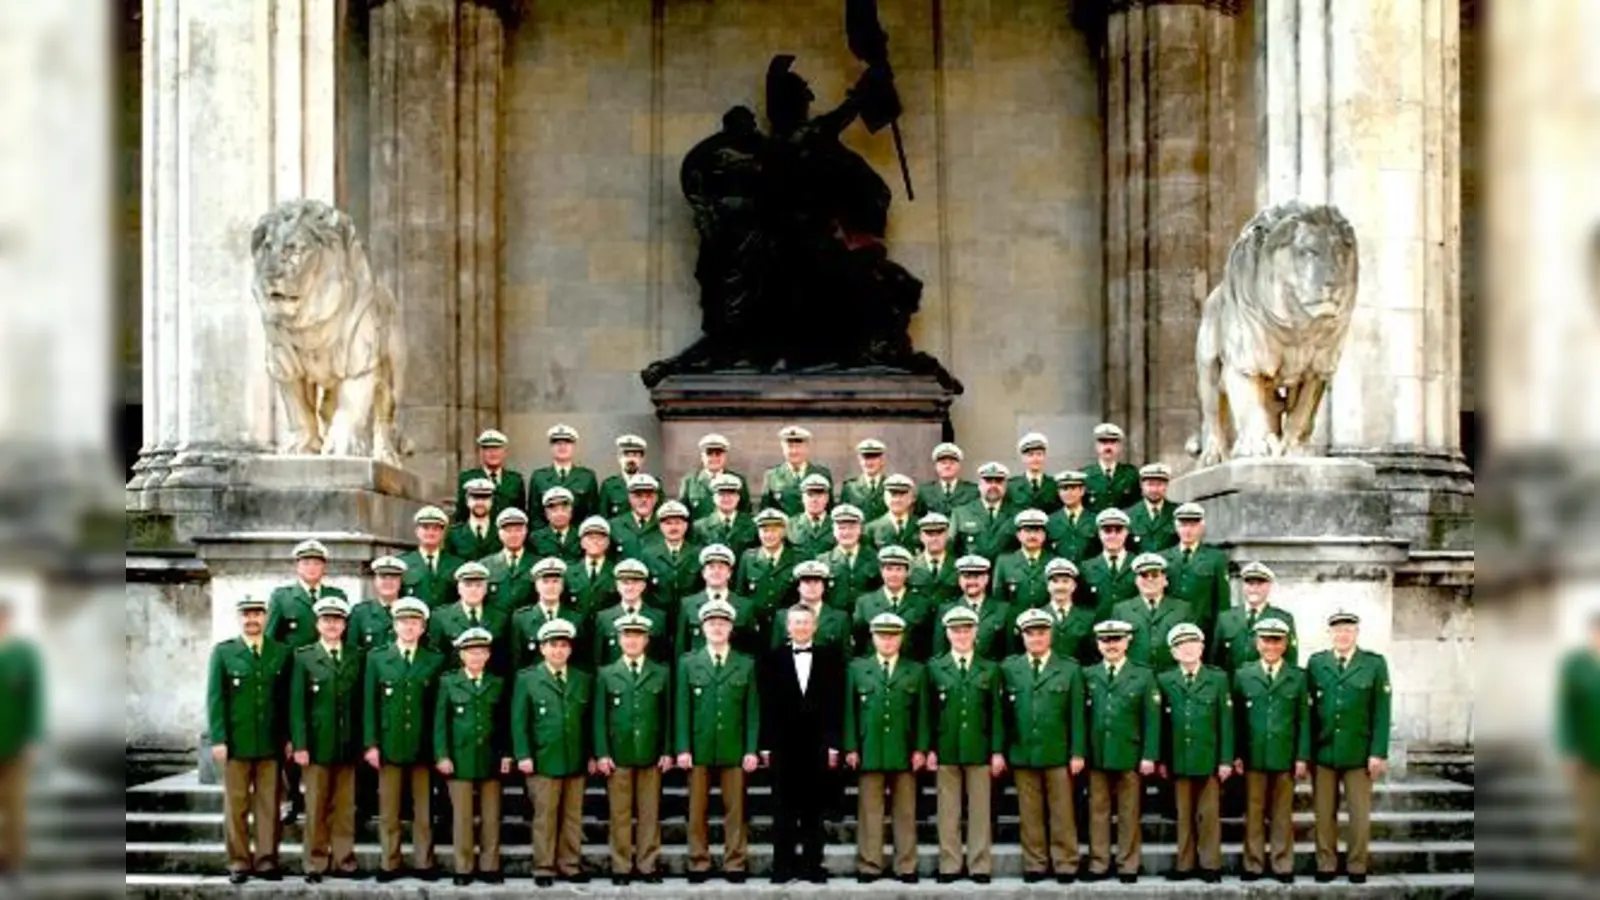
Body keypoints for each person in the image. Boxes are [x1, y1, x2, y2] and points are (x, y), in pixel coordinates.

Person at [759, 602, 847, 884]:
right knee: (783, 808)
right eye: (796, 622)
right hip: (784, 744)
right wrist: (766, 744)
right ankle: (782, 866)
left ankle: (812, 865)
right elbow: (767, 705)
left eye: (806, 622)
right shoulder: (772, 659)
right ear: (788, 627)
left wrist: (834, 742)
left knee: (814, 809)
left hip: (817, 744)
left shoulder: (830, 658)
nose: (801, 627)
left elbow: (836, 703)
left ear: (815, 626)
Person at [205, 595, 290, 885]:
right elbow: (216, 700)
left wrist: (288, 738)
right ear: (239, 618)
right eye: (246, 614)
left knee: (269, 805)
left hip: (270, 743)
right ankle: (239, 861)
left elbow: (287, 701)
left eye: (257, 614)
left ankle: (267, 861)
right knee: (236, 806)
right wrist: (218, 738)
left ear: (265, 617)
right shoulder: (224, 653)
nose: (252, 620)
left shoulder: (280, 652)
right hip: (236, 744)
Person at [676, 599, 761, 884]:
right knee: (696, 809)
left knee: (736, 809)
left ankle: (735, 862)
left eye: (722, 623)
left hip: (734, 748)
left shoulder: (746, 664)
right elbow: (682, 709)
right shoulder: (688, 663)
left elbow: (752, 712)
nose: (717, 628)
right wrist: (683, 747)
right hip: (698, 749)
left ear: (731, 628)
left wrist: (751, 749)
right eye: (712, 623)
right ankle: (698, 862)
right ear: (702, 628)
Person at [843, 612, 931, 885]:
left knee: (905, 811)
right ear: (873, 638)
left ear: (901, 638)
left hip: (904, 750)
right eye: (882, 635)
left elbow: (923, 715)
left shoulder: (916, 670)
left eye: (893, 635)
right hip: (869, 749)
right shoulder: (857, 669)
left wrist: (921, 748)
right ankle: (869, 865)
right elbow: (850, 713)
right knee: (870, 811)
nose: (888, 641)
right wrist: (851, 747)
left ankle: (906, 865)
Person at [362, 597, 445, 883]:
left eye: (414, 622)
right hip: (389, 745)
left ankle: (424, 862)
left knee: (424, 810)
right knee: (389, 810)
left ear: (422, 628)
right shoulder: (377, 658)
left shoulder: (434, 659)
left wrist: (438, 748)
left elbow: (438, 708)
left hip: (422, 746)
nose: (409, 627)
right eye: (403, 622)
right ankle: (390, 862)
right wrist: (371, 744)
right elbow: (370, 703)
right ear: (394, 625)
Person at [1307, 609, 1392, 884]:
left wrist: (1378, 752)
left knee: (1359, 814)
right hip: (1323, 751)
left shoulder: (1374, 664)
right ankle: (1326, 863)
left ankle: (1357, 865)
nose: (1342, 635)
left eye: (1348, 630)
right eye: (1337, 630)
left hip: (1358, 753)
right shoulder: (1317, 663)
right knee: (1323, 813)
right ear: (1330, 633)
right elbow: (1308, 712)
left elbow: (1382, 711)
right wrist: (1306, 753)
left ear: (1356, 633)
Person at [1002, 608, 1087, 884]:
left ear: (1050, 634)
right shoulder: (1010, 668)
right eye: (1031, 634)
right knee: (1030, 812)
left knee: (1062, 811)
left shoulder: (1070, 668)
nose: (1036, 639)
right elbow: (1004, 714)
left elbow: (1077, 714)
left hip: (1058, 751)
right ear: (1023, 637)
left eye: (1041, 633)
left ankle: (1065, 863)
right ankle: (1035, 863)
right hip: (1023, 751)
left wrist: (1077, 752)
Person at [927, 605, 1005, 884]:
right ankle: (949, 864)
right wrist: (930, 748)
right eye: (956, 630)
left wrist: (997, 750)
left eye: (966, 630)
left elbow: (997, 713)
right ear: (947, 634)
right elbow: (929, 713)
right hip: (946, 747)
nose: (961, 635)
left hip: (979, 747)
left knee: (980, 810)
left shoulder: (990, 668)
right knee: (948, 810)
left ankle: (979, 865)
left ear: (975, 632)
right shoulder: (935, 667)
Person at [511, 619, 592, 887]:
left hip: (575, 757)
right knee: (545, 815)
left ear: (570, 649)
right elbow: (519, 721)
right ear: (542, 649)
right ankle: (544, 866)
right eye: (552, 645)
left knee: (572, 815)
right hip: (544, 758)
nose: (558, 651)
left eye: (563, 645)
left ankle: (569, 863)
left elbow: (588, 721)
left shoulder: (582, 678)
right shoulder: (528, 678)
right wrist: (523, 755)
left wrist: (591, 754)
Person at [594, 613, 672, 885]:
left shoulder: (661, 672)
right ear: (619, 639)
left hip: (651, 753)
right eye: (627, 636)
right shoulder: (606, 673)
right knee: (620, 813)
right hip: (619, 754)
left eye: (637, 636)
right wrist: (602, 753)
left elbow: (668, 715)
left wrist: (667, 750)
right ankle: (621, 866)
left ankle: (648, 865)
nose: (632, 641)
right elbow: (599, 718)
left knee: (650, 813)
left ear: (646, 640)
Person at [288, 596, 362, 883]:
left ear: (345, 624)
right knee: (316, 806)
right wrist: (301, 744)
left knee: (344, 807)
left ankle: (345, 861)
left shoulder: (356, 655)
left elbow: (360, 703)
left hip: (347, 743)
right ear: (318, 624)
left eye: (337, 620)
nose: (332, 625)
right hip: (317, 745)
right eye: (326, 620)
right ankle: (315, 863)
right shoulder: (304, 657)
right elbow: (297, 706)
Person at [1232, 616, 1311, 884]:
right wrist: (1237, 754)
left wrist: (1302, 756)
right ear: (1257, 643)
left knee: (1281, 813)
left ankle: (1282, 863)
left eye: (1276, 640)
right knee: (1253, 812)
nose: (1271, 646)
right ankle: (1253, 864)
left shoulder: (1298, 677)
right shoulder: (1243, 675)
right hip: (1254, 755)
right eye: (1266, 640)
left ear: (1285, 644)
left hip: (1284, 755)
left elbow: (1304, 720)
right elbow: (1237, 720)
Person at [1084, 619, 1161, 884]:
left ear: (1127, 642)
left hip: (1130, 753)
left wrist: (1150, 754)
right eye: (1106, 640)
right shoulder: (1089, 674)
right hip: (1097, 754)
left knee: (1129, 811)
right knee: (1098, 811)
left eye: (1116, 639)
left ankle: (1128, 864)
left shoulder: (1143, 675)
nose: (1111, 645)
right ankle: (1099, 863)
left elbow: (1152, 719)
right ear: (1098, 644)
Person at [1156, 623, 1234, 883]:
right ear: (1174, 652)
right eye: (1181, 646)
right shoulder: (1166, 680)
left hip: (1208, 757)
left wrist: (1225, 759)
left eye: (1193, 645)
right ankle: (1185, 864)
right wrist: (1162, 759)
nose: (1188, 650)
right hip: (1178, 757)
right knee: (1183, 814)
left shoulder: (1217, 679)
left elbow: (1226, 721)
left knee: (1209, 814)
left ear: (1202, 648)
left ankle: (1210, 864)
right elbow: (1161, 725)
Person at [437, 627, 511, 886]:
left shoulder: (498, 683)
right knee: (462, 817)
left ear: (488, 655)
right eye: (471, 652)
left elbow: (504, 724)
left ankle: (490, 866)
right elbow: (441, 723)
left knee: (491, 816)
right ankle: (463, 867)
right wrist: (442, 755)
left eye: (481, 652)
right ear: (461, 655)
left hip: (490, 757)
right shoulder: (448, 682)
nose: (476, 657)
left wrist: (506, 755)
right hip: (460, 757)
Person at [1558, 609, 1600, 879]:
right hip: (1587, 752)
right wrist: (1569, 749)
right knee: (1587, 812)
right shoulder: (1576, 666)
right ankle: (1588, 864)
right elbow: (1566, 710)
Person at [1110, 553, 1195, 672]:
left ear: (1165, 580)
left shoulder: (1183, 609)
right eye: (1144, 575)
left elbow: (1191, 647)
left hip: (1171, 676)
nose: (1149, 579)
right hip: (1135, 678)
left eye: (1155, 575)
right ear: (1136, 581)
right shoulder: (1121, 610)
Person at [1212, 561, 1298, 672]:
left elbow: (1290, 661)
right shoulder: (1225, 618)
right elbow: (1215, 661)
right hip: (1231, 686)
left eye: (1260, 584)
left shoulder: (1283, 619)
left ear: (1269, 586)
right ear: (1243, 585)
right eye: (1250, 583)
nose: (1254, 589)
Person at [677, 544, 762, 655]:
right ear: (703, 573)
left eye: (721, 567)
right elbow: (681, 648)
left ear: (729, 573)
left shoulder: (745, 606)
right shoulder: (688, 604)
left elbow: (752, 650)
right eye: (711, 567)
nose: (716, 572)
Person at [852, 545, 934, 659]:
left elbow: (926, 643)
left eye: (899, 569)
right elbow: (860, 641)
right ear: (881, 571)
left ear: (907, 572)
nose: (893, 575)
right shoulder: (865, 603)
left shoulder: (922, 603)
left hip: (911, 667)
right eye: (889, 569)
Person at [1161, 503, 1230, 638]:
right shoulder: (1163, 558)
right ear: (1176, 527)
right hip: (1169, 629)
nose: (1188, 530)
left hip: (1202, 631)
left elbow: (1222, 603)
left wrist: (1220, 635)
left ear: (1201, 527)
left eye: (1193, 525)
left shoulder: (1215, 558)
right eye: (1183, 525)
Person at [428, 562, 509, 672]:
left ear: (486, 589)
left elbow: (503, 659)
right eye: (468, 585)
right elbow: (435, 658)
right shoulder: (441, 617)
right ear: (458, 588)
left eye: (478, 585)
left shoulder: (500, 617)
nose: (473, 590)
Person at [508, 558, 584, 673]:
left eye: (555, 581)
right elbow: (517, 661)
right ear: (536, 586)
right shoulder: (521, 619)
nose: (551, 587)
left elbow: (580, 661)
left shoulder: (575, 618)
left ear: (562, 585)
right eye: (545, 581)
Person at [933, 555, 1014, 662]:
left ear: (986, 579)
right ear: (959, 580)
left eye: (976, 577)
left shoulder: (1003, 610)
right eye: (966, 577)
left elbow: (1010, 654)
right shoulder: (946, 610)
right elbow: (939, 652)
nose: (971, 582)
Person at [640, 500, 704, 634]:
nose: (673, 528)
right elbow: (644, 591)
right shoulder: (648, 555)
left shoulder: (698, 554)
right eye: (668, 523)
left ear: (686, 525)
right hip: (658, 618)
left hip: (690, 617)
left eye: (678, 523)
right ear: (660, 526)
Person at [593, 559, 670, 666]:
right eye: (625, 583)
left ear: (643, 586)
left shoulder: (658, 618)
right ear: (617, 586)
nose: (630, 588)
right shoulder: (604, 618)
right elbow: (599, 660)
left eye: (635, 583)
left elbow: (664, 659)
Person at [526, 423, 599, 527]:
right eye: (557, 443)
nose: (562, 446)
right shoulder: (539, 477)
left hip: (578, 538)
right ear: (551, 447)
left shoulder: (587, 477)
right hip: (546, 538)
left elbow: (592, 514)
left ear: (574, 446)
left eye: (567, 442)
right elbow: (534, 515)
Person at [770, 560, 852, 653]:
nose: (812, 586)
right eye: (807, 582)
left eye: (816, 582)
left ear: (823, 587)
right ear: (798, 587)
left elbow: (846, 655)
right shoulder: (782, 616)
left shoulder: (840, 618)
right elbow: (775, 654)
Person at [734, 508, 799, 624]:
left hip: (787, 624)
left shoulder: (796, 558)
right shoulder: (748, 558)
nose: (769, 535)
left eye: (774, 530)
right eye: (765, 530)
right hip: (756, 625)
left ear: (783, 532)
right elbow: (741, 594)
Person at [950, 462, 1020, 562]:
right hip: (972, 573)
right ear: (979, 485)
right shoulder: (961, 513)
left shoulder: (1017, 514)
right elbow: (950, 549)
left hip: (1005, 576)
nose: (993, 486)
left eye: (998, 481)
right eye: (988, 481)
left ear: (1005, 485)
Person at [454, 428, 526, 523]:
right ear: (481, 453)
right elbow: (461, 514)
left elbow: (520, 513)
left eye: (497, 449)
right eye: (487, 449)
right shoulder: (468, 478)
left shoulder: (515, 480)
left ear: (504, 452)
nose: (493, 453)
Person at [1077, 508, 1138, 616]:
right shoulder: (1086, 568)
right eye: (1107, 530)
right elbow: (1082, 605)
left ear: (1126, 532)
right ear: (1099, 533)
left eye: (1118, 530)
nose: (1112, 536)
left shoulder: (1137, 564)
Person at [759, 425, 832, 515]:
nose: (794, 451)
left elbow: (829, 511)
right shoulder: (772, 476)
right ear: (783, 449)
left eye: (798, 446)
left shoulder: (822, 474)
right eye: (790, 446)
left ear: (807, 448)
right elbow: (765, 512)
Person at [400, 506, 464, 608]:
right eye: (425, 527)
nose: (430, 532)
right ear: (416, 531)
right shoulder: (403, 563)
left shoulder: (456, 564)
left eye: (435, 528)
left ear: (443, 533)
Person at [678, 433, 752, 520]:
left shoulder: (738, 480)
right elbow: (683, 514)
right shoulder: (689, 482)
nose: (714, 458)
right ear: (702, 456)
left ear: (725, 456)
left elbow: (745, 511)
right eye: (709, 454)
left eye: (718, 454)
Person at [818, 504, 879, 610]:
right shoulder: (822, 561)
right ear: (833, 530)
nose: (846, 532)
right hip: (836, 621)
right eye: (841, 528)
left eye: (852, 528)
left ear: (860, 529)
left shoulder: (875, 559)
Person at [993, 509, 1053, 610]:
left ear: (1044, 535)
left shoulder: (1053, 562)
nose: (1032, 536)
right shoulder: (1004, 562)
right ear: (1018, 535)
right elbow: (999, 598)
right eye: (1027, 531)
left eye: (1037, 531)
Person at [1042, 558, 1097, 665]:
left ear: (1074, 586)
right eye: (1055, 581)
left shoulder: (1088, 617)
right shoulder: (1038, 616)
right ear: (1048, 586)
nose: (1060, 587)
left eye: (1065, 581)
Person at [347, 555, 406, 654]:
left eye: (393, 577)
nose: (388, 582)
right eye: (383, 577)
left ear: (400, 581)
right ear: (375, 580)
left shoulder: (410, 610)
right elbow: (352, 652)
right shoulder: (360, 613)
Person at [480, 506, 534, 612]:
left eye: (518, 530)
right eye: (508, 531)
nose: (513, 535)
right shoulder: (485, 565)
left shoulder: (537, 564)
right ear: (499, 533)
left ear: (526, 531)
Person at [693, 473, 760, 557]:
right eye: (722, 494)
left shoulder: (752, 524)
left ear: (738, 497)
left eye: (731, 494)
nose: (727, 499)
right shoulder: (700, 527)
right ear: (714, 498)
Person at [564, 516, 617, 620]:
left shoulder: (616, 572)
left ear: (607, 542)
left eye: (600, 538)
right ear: (582, 542)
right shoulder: (569, 572)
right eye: (590, 538)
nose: (595, 542)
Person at [1081, 422, 1139, 512]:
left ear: (1120, 446)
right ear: (1096, 446)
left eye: (1112, 442)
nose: (1108, 447)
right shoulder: (1084, 475)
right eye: (1103, 442)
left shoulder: (1131, 474)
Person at [1044, 469, 1098, 561]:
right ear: (1058, 492)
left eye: (1073, 488)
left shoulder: (1095, 519)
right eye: (1064, 489)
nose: (1068, 493)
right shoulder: (1050, 521)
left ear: (1082, 491)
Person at [910, 512, 959, 607]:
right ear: (921, 536)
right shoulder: (910, 566)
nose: (935, 538)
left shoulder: (958, 566)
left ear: (947, 535)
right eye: (929, 534)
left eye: (939, 533)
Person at [445, 478, 502, 562]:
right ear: (467, 501)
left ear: (491, 501)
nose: (480, 503)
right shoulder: (454, 534)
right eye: (475, 498)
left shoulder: (501, 532)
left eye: (485, 498)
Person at [1125, 463, 1177, 553]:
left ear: (1166, 485)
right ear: (1142, 486)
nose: (1154, 490)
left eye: (1159, 484)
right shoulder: (1128, 515)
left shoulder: (1177, 513)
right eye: (1150, 484)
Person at [608, 473, 662, 561]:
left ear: (656, 498)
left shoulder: (664, 524)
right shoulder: (614, 526)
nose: (643, 500)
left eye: (648, 496)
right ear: (629, 498)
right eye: (638, 496)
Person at [917, 442, 978, 517]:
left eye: (952, 463)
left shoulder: (972, 491)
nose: (947, 466)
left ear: (959, 466)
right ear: (936, 466)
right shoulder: (924, 491)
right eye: (943, 463)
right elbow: (918, 516)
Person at [598, 434, 649, 519]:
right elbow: (603, 518)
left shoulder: (653, 485)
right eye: (626, 455)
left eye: (635, 455)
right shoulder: (609, 486)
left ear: (642, 459)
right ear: (619, 458)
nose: (631, 459)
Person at [864, 474, 920, 552]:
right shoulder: (871, 530)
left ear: (912, 498)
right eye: (893, 495)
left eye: (902, 495)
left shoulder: (920, 526)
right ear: (884, 497)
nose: (897, 500)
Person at [839, 438, 891, 521]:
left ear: (882, 460)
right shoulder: (850, 488)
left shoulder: (891, 486)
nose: (869, 463)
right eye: (866, 458)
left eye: (874, 458)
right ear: (859, 460)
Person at [1007, 432, 1060, 513]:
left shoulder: (1054, 485)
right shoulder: (1011, 486)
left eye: (1039, 454)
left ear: (1044, 456)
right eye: (1030, 455)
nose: (1035, 458)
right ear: (1023, 458)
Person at [787, 474, 837, 559]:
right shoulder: (790, 525)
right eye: (810, 495)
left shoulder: (837, 525)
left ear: (827, 498)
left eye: (819, 495)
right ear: (802, 498)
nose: (815, 500)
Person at [530, 485, 583, 564]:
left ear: (571, 511)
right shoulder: (535, 538)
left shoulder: (581, 536)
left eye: (564, 509)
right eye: (554, 510)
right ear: (546, 513)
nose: (559, 514)